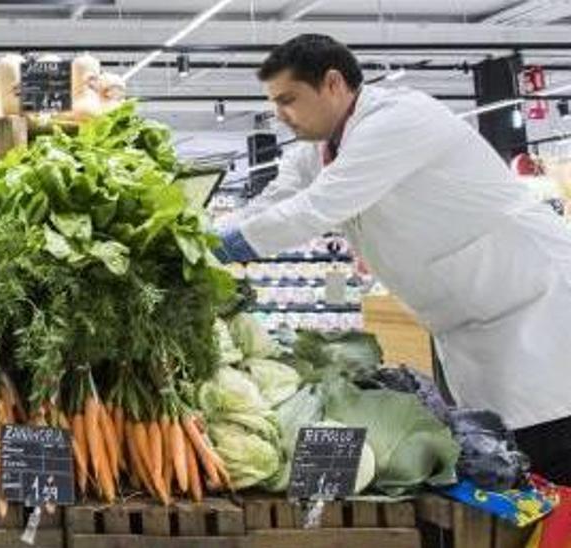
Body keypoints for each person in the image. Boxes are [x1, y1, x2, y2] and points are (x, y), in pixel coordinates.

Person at [217, 34, 571, 484]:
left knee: (553, 455)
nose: (279, 116)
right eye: (273, 104)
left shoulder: (400, 118)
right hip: (472, 324)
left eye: (288, 100)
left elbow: (317, 207)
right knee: (513, 465)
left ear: (332, 83)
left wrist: (221, 248)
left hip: (536, 307)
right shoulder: (313, 151)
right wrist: (199, 235)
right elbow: (272, 202)